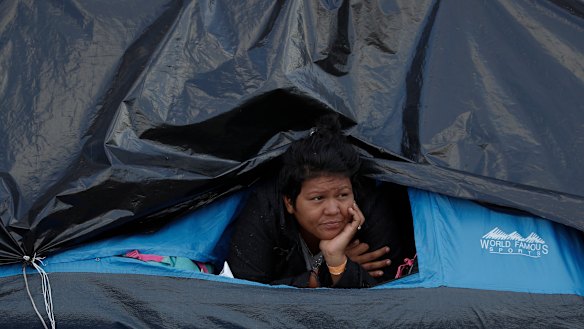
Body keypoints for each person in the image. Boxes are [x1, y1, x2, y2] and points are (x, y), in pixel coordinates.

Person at [227, 114, 416, 288]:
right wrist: (325, 273)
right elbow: (247, 295)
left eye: (343, 195)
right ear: (290, 203)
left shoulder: (370, 208)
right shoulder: (266, 210)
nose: (333, 210)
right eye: (318, 198)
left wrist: (337, 261)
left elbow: (388, 297)